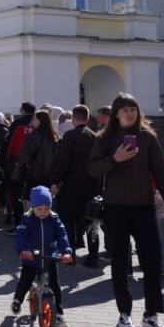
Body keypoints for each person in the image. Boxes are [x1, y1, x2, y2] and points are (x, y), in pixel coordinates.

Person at [89, 92, 164, 327]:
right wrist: (114, 159)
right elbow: (93, 168)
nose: (130, 113)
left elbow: (160, 172)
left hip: (144, 206)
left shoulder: (148, 138)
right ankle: (124, 313)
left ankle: (151, 315)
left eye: (133, 109)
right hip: (116, 206)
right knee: (120, 261)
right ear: (116, 113)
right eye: (125, 109)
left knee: (152, 258)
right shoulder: (105, 138)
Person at [11, 187, 73, 327]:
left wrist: (66, 252)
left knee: (55, 286)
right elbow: (20, 234)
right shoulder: (28, 217)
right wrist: (23, 250)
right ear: (33, 207)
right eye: (39, 209)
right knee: (25, 281)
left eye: (46, 208)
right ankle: (17, 300)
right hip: (31, 258)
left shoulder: (54, 218)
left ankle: (58, 315)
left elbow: (62, 234)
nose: (43, 212)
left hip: (49, 257)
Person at [50, 105, 102, 267]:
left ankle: (69, 253)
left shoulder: (70, 136)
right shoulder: (95, 137)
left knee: (68, 221)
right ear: (87, 119)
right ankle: (93, 257)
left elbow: (63, 162)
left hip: (71, 187)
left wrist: (56, 182)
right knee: (92, 223)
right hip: (91, 186)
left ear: (73, 119)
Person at [16, 111, 58, 206]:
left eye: (34, 119)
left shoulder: (32, 137)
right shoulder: (55, 138)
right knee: (47, 205)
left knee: (31, 204)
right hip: (50, 178)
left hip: (33, 176)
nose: (32, 121)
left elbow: (23, 158)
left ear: (40, 121)